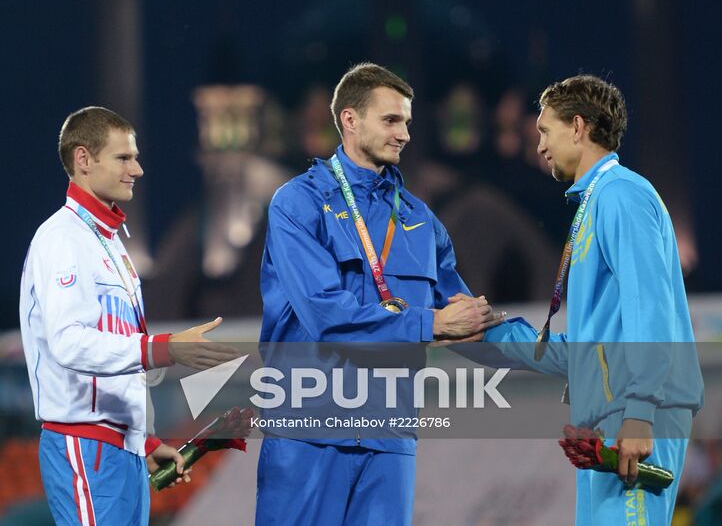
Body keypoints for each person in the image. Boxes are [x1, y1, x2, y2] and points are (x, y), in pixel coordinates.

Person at [257, 62, 501, 526]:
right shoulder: (298, 203)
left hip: (390, 436)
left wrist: (564, 360)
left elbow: (468, 320)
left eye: (407, 121)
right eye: (391, 120)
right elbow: (326, 314)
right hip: (310, 432)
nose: (405, 133)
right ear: (350, 120)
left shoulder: (421, 220)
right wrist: (431, 324)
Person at [482, 74, 703, 526]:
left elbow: (651, 307)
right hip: (610, 416)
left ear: (578, 127)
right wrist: (476, 334)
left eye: (545, 130)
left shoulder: (622, 194)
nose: (539, 144)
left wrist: (640, 413)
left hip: (638, 414)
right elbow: (582, 351)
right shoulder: (595, 205)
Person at [19, 106, 239, 526]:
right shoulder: (61, 239)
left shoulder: (112, 245)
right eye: (123, 158)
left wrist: (145, 439)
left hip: (123, 448)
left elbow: (118, 359)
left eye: (135, 157)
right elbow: (69, 343)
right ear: (83, 160)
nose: (137, 169)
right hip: (85, 446)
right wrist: (166, 348)